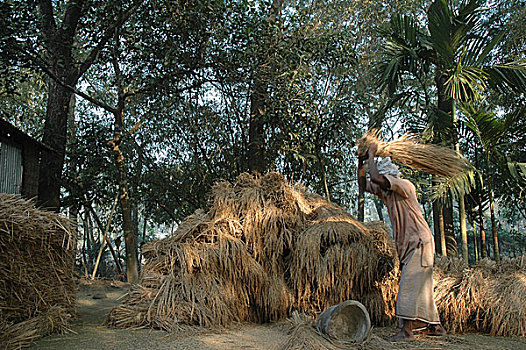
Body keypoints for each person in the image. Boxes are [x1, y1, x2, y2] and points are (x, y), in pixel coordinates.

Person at [358, 141, 446, 342]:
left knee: (408, 285)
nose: (379, 185)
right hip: (409, 245)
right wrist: (361, 161)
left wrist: (372, 155)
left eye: (383, 180)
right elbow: (364, 185)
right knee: (422, 288)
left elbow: (376, 178)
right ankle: (436, 327)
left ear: (390, 177)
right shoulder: (387, 194)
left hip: (419, 243)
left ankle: (406, 332)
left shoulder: (405, 186)